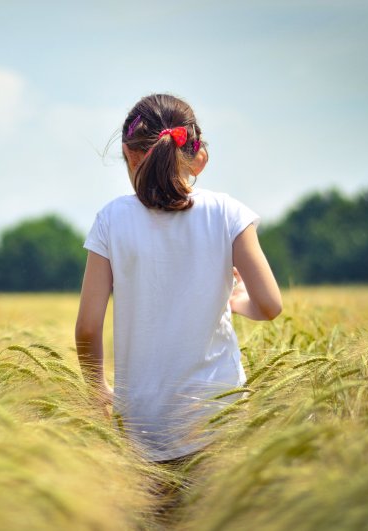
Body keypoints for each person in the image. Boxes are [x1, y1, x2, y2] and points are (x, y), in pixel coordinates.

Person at [75, 94, 282, 464]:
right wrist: (237, 300)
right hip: (219, 415)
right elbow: (270, 305)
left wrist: (97, 388)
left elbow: (88, 328)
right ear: (200, 158)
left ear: (129, 154)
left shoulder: (111, 219)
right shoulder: (227, 212)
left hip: (141, 424)